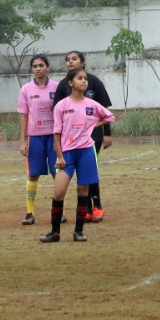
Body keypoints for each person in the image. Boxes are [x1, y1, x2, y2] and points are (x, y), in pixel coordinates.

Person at [40, 68, 115, 243]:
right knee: (59, 192)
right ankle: (55, 232)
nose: (84, 81)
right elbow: (56, 133)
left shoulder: (91, 104)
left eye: (85, 79)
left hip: (86, 152)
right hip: (67, 153)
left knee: (83, 191)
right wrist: (59, 156)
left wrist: (92, 124)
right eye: (80, 78)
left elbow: (109, 116)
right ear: (71, 83)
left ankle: (79, 231)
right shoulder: (62, 105)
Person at [52, 51, 113, 222]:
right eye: (67, 60)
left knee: (88, 173)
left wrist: (107, 134)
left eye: (74, 59)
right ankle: (84, 209)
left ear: (83, 62)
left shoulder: (94, 82)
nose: (70, 62)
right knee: (69, 177)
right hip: (69, 141)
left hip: (91, 139)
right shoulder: (64, 86)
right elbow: (56, 111)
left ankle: (97, 206)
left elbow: (103, 109)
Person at [18, 55, 59, 226]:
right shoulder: (26, 90)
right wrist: (22, 141)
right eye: (34, 66)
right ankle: (29, 213)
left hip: (54, 137)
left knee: (57, 174)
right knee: (33, 174)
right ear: (32, 69)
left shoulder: (57, 87)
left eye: (41, 65)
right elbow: (24, 115)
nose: (38, 68)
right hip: (35, 137)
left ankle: (59, 211)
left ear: (48, 67)